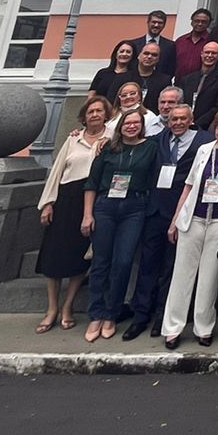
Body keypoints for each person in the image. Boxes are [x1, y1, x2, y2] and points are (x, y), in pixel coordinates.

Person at [161, 107, 218, 348]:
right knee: (182, 274)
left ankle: (204, 327)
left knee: (209, 277)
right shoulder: (204, 151)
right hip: (194, 218)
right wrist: (176, 219)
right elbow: (189, 186)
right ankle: (173, 328)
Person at [124, 102, 210, 340]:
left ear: (191, 119)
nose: (178, 123)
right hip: (155, 211)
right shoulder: (158, 139)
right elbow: (131, 143)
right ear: (168, 121)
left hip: (184, 212)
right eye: (174, 119)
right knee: (148, 265)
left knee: (172, 268)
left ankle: (163, 316)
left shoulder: (205, 141)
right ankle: (141, 315)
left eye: (183, 119)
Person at [34, 94, 111, 333]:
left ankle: (67, 307)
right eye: (91, 112)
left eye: (99, 111)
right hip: (66, 198)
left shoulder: (110, 140)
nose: (95, 115)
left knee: (80, 256)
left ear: (106, 115)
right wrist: (48, 203)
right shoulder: (73, 139)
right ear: (84, 117)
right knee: (53, 256)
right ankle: (52, 308)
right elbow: (57, 171)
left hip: (91, 200)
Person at [81, 105, 157, 342]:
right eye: (127, 123)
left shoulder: (151, 148)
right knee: (101, 262)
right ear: (120, 126)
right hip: (105, 207)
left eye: (136, 123)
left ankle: (111, 313)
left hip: (134, 208)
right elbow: (92, 183)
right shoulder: (108, 148)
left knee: (123, 262)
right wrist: (87, 214)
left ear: (142, 126)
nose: (132, 126)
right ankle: (96, 314)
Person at [183, 40, 218, 131]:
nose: (209, 56)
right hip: (184, 125)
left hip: (206, 128)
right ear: (201, 54)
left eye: (214, 53)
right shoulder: (187, 79)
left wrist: (197, 123)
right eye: (207, 52)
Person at [118, 9, 178, 80]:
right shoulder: (134, 44)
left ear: (164, 25)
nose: (156, 25)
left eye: (160, 23)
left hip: (159, 83)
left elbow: (171, 68)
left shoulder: (170, 46)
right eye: (154, 22)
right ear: (148, 22)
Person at [172, 7, 218, 82]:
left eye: (204, 22)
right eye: (197, 21)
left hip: (201, 83)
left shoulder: (211, 42)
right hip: (179, 82)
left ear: (209, 24)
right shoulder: (180, 41)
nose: (200, 24)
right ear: (192, 22)